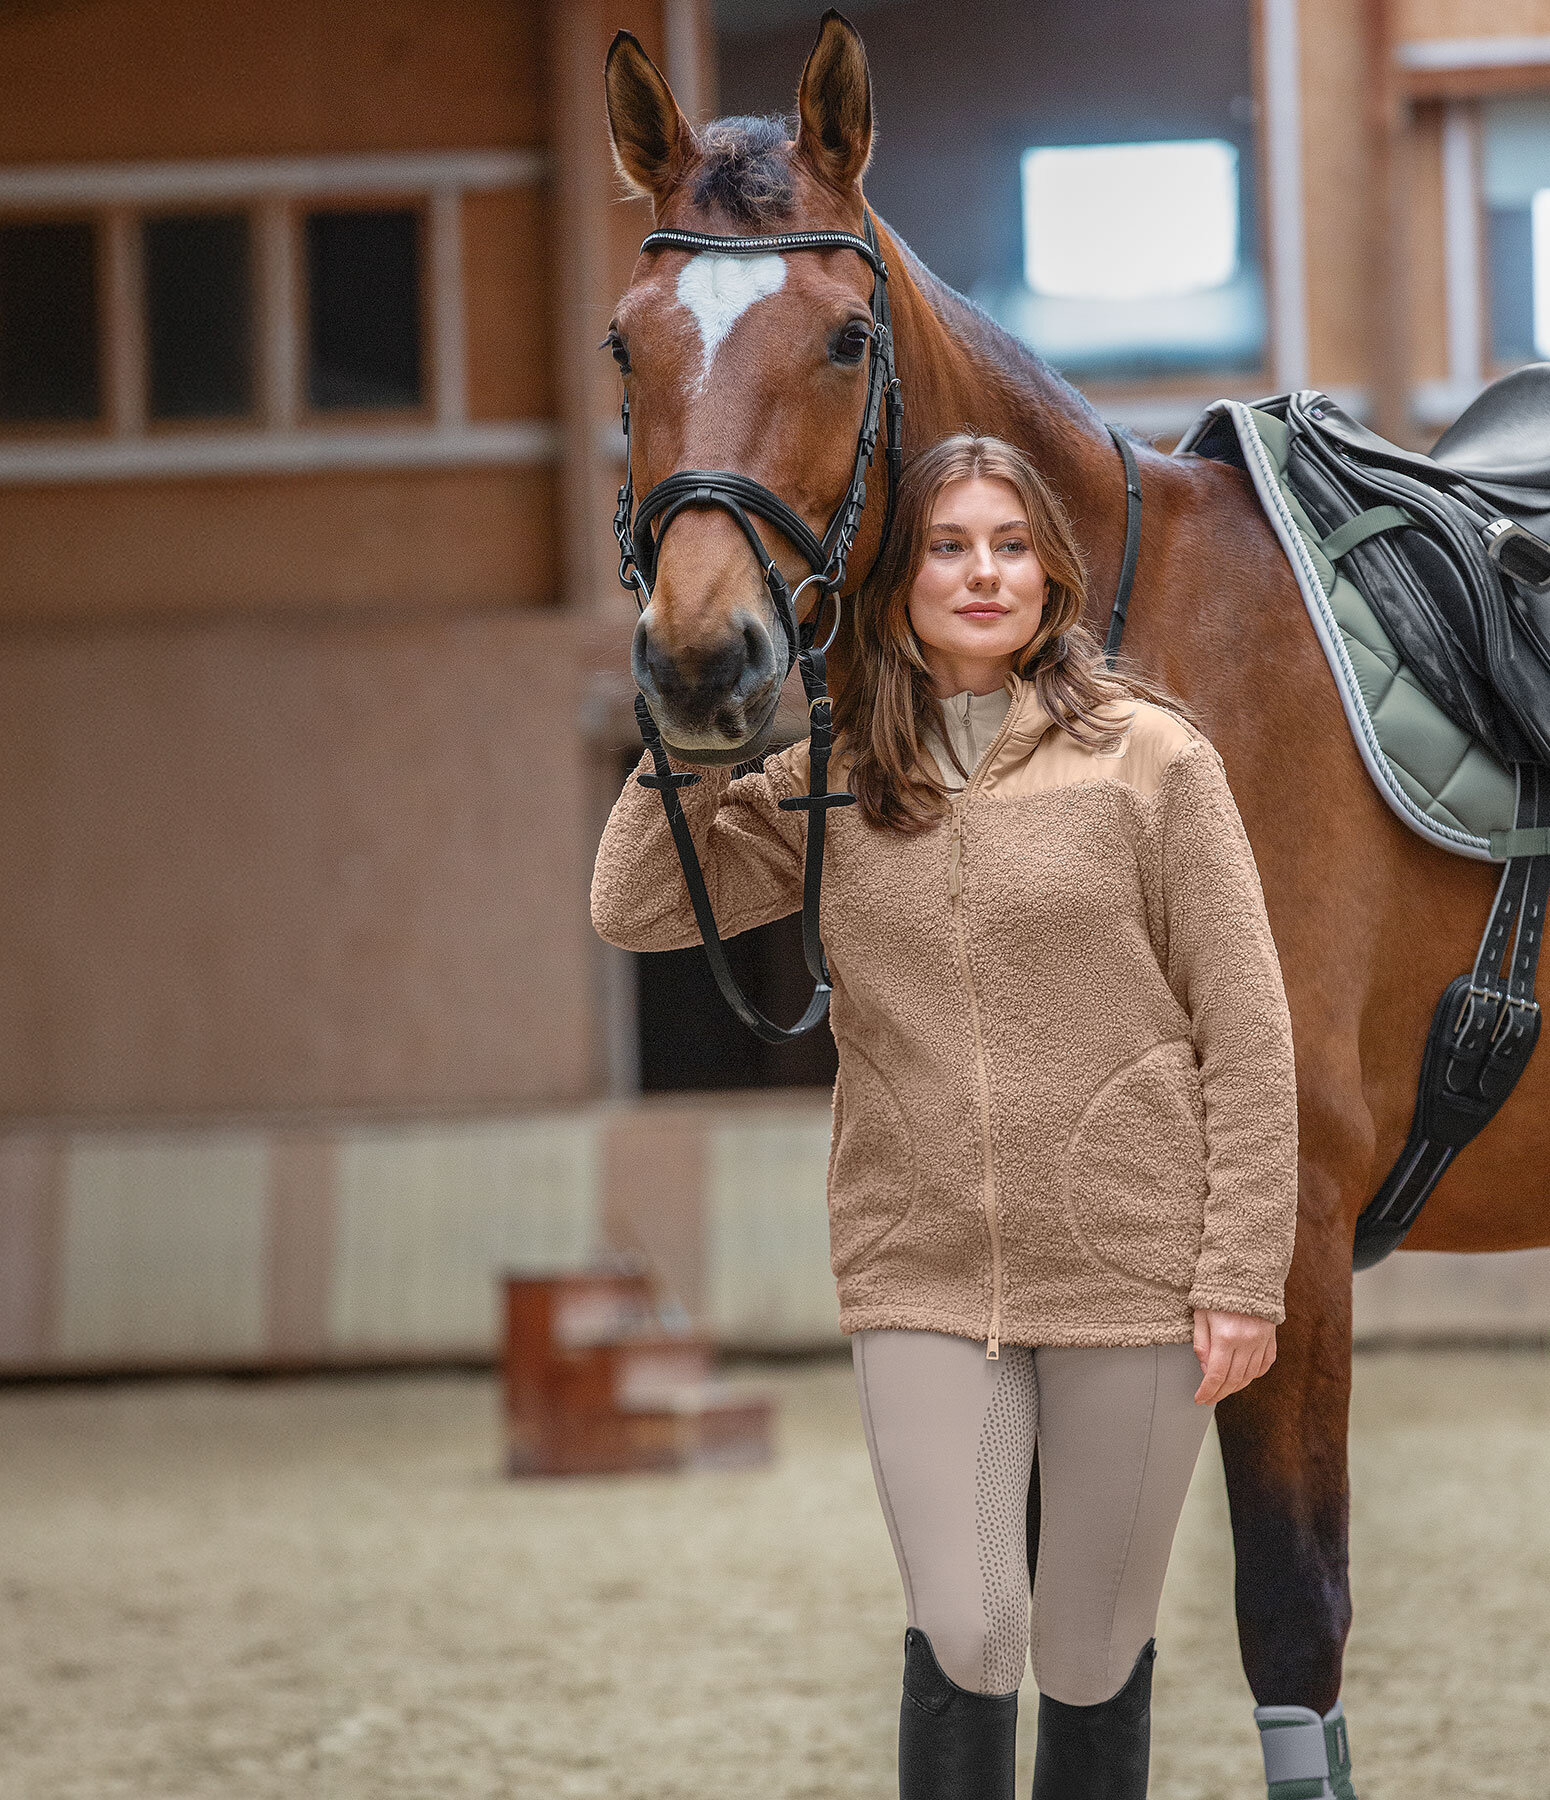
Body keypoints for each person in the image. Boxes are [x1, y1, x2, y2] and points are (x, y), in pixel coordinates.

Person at [591, 433, 1299, 1800]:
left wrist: (1237, 1275)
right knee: (969, 1627)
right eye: (946, 546)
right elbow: (636, 905)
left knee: (1091, 1650)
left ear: (1051, 574)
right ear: (894, 579)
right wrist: (685, 735)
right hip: (917, 1270)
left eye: (1010, 544)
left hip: (1132, 1273)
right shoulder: (834, 777)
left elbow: (1248, 1033)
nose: (981, 573)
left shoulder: (1153, 764)